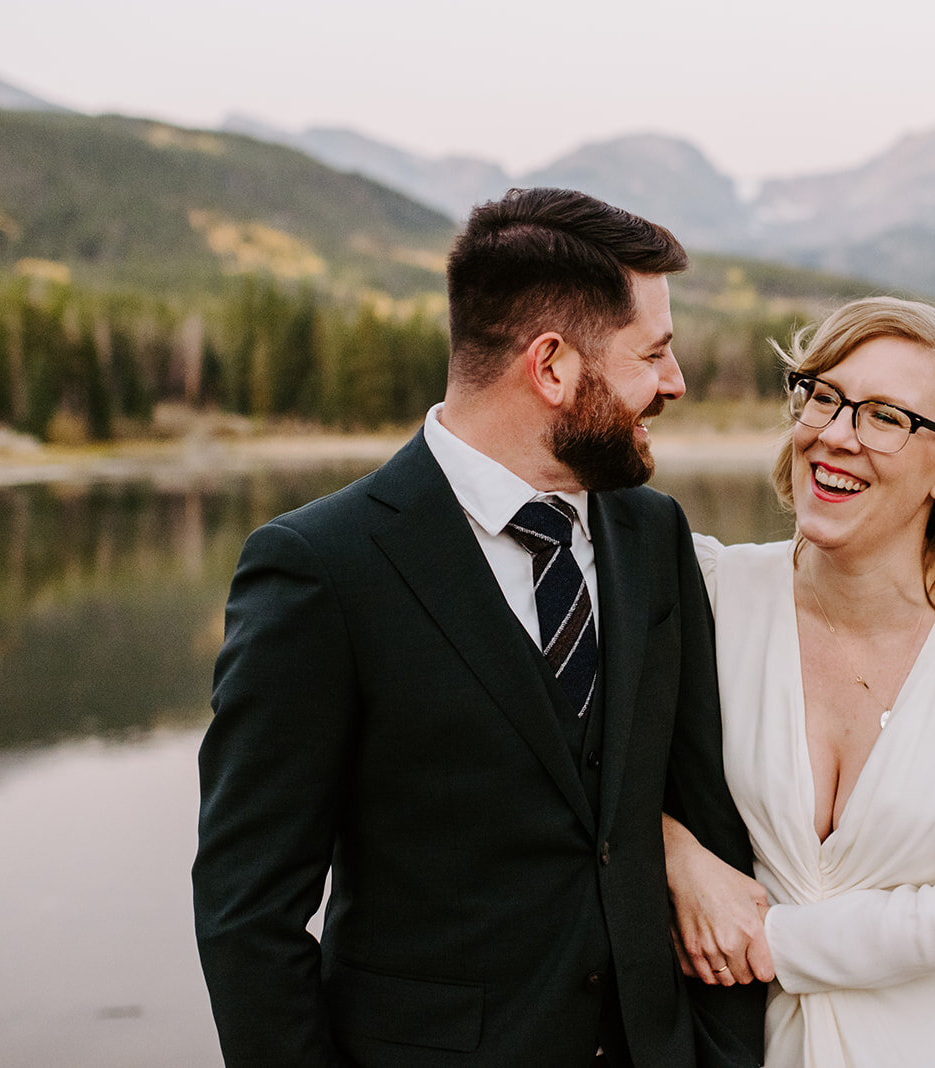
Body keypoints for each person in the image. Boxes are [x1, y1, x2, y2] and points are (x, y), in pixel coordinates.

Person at [193, 188, 764, 1068]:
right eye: (654, 353)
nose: (674, 383)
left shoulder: (653, 535)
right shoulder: (322, 567)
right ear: (553, 367)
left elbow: (701, 809)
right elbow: (247, 915)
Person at [661, 297, 935, 1067]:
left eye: (885, 417)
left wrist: (765, 939)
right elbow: (581, 756)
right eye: (823, 396)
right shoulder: (711, 590)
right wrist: (672, 852)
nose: (834, 434)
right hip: (742, 1048)